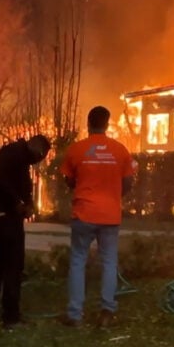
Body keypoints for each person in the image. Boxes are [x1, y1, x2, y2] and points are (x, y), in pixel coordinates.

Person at [59, 106, 134, 328]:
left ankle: (74, 315)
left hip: (84, 213)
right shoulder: (120, 150)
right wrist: (112, 195)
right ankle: (107, 313)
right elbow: (129, 182)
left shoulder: (76, 149)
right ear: (107, 124)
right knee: (109, 262)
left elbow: (69, 179)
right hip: (110, 215)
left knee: (78, 261)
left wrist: (81, 185)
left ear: (88, 124)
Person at [0, 134, 51, 330]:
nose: (37, 163)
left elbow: (21, 185)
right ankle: (11, 318)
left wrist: (28, 203)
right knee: (13, 265)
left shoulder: (17, 156)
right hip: (2, 217)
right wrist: (16, 203)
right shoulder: (14, 155)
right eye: (40, 158)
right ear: (39, 151)